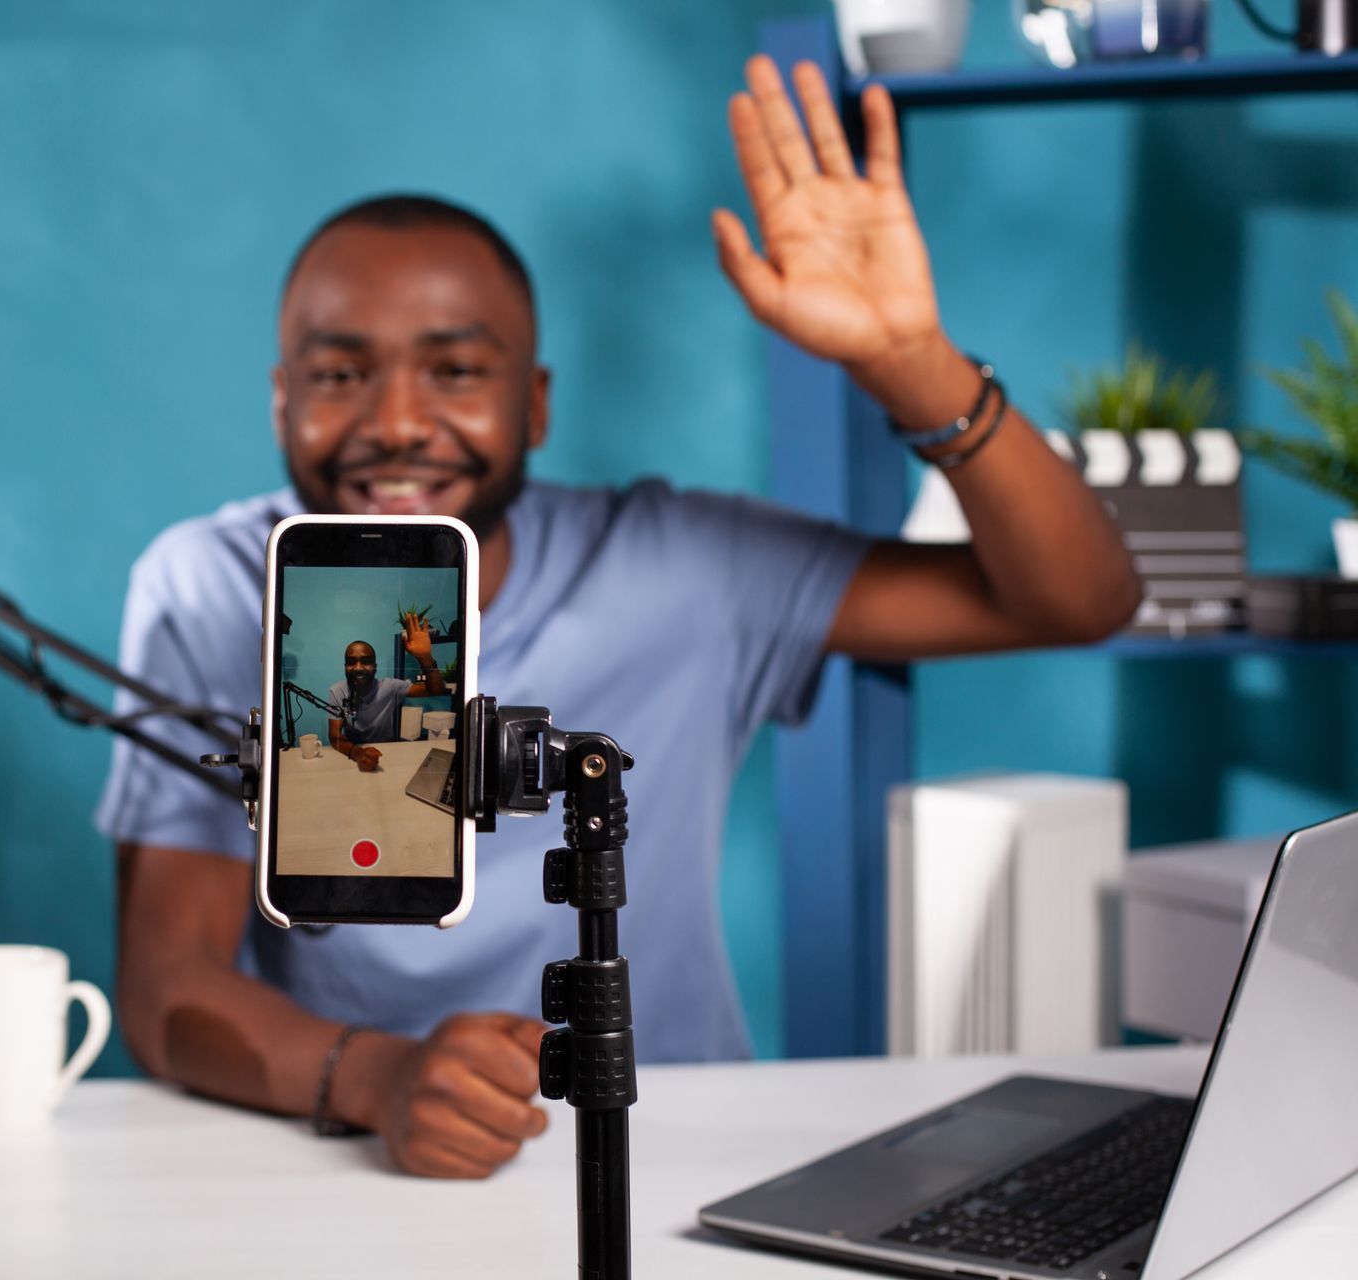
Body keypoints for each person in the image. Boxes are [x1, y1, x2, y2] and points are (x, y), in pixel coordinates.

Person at [97, 57, 1141, 1181]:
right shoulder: (210, 586)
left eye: (455, 369)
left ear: (535, 401)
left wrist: (910, 364)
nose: (396, 421)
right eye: (342, 374)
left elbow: (1080, 598)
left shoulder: (684, 563)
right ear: (281, 400)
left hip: (675, 1146)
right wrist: (381, 1077)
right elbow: (170, 983)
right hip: (364, 1150)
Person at [327, 613, 444, 772]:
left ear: (375, 667)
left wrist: (425, 658)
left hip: (388, 751)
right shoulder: (338, 691)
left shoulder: (390, 686)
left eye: (366, 661)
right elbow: (335, 737)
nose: (359, 667)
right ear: (345, 666)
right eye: (351, 662)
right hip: (353, 752)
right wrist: (359, 753)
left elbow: (436, 690)